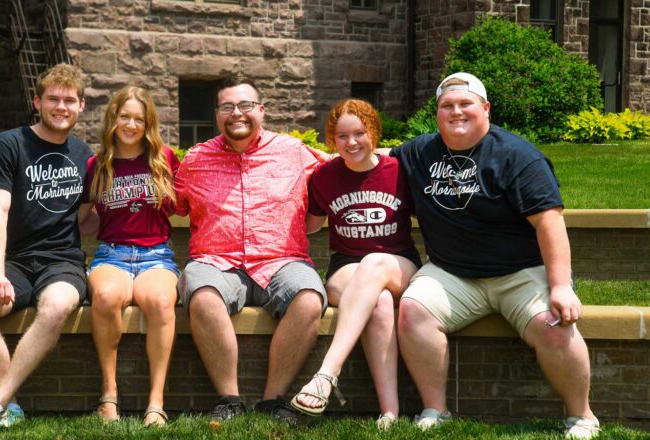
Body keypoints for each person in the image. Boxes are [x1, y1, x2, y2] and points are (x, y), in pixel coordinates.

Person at [393, 72, 600, 439]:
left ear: (485, 108)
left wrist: (560, 286)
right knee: (413, 310)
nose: (456, 112)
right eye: (447, 106)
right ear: (437, 113)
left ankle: (581, 416)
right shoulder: (417, 152)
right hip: (452, 273)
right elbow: (371, 163)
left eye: (465, 104)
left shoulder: (518, 156)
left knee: (554, 325)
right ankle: (435, 409)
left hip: (521, 272)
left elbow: (549, 224)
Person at [174, 76, 330, 424]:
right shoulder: (196, 159)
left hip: (282, 260)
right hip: (217, 262)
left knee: (308, 297)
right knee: (201, 293)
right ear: (216, 115)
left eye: (245, 106)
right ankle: (229, 399)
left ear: (261, 110)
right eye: (227, 107)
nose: (236, 114)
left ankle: (272, 400)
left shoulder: (294, 152)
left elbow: (347, 164)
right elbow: (168, 200)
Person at [0, 64, 92, 439]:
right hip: (13, 262)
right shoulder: (9, 143)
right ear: (37, 101)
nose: (60, 107)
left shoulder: (85, 154)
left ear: (81, 106)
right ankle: (10, 407)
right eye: (53, 99)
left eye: (69, 100)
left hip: (62, 262)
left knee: (59, 305)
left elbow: (84, 216)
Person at [290, 99, 420, 429]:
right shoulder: (325, 176)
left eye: (359, 134)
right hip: (346, 265)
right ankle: (389, 411)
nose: (351, 143)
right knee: (376, 301)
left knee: (375, 265)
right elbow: (311, 224)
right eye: (342, 136)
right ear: (332, 139)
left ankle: (326, 373)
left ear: (373, 132)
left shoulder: (398, 171)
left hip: (397, 262)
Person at [81, 86, 180, 426]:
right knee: (106, 297)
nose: (131, 125)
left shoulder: (164, 159)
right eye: (125, 116)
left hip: (157, 255)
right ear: (113, 118)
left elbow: (185, 205)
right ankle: (109, 395)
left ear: (148, 123)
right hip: (111, 254)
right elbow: (86, 219)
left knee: (162, 301)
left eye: (139, 118)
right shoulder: (97, 164)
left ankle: (156, 402)